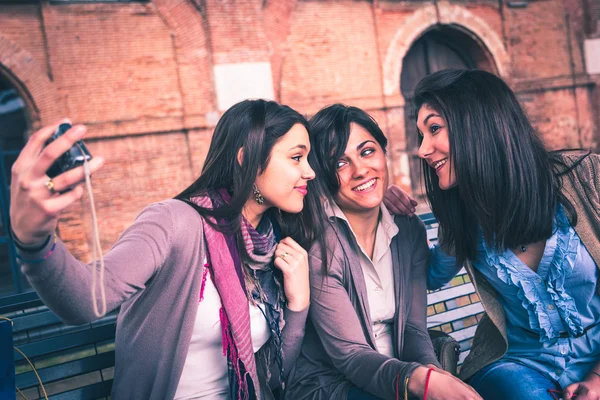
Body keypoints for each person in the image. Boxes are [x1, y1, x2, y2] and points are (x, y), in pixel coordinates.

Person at [9, 99, 326, 400]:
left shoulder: (270, 247)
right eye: (297, 158)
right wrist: (34, 242)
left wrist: (298, 305)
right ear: (249, 160)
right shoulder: (175, 223)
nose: (309, 171)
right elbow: (85, 300)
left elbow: (270, 380)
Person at [384, 69, 600, 400]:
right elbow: (428, 275)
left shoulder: (586, 178)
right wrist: (377, 207)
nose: (423, 150)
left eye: (434, 129)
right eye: (421, 135)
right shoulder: (462, 219)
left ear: (477, 123)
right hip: (522, 367)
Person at [285, 104, 481, 400]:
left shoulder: (407, 230)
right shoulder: (320, 245)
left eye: (367, 152)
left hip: (399, 376)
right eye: (340, 163)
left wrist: (433, 373)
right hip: (333, 387)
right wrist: (422, 382)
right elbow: (350, 356)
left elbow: (414, 329)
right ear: (323, 175)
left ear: (383, 152)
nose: (360, 170)